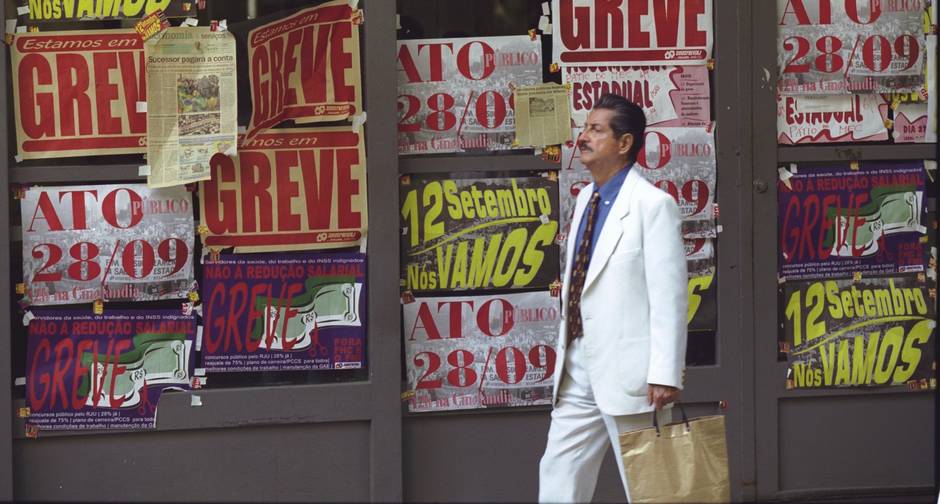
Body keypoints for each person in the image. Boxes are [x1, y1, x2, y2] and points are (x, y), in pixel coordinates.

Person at [539, 93, 688, 503]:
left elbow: (669, 296)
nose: (582, 137)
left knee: (649, 485)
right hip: (577, 362)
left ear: (624, 144)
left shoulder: (653, 206)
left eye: (595, 129)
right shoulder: (586, 198)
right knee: (558, 470)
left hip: (632, 374)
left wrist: (665, 372)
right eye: (585, 127)